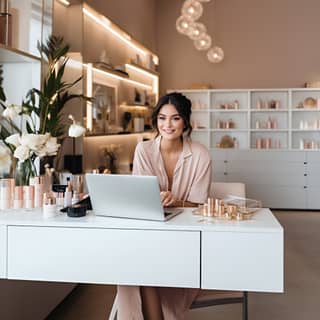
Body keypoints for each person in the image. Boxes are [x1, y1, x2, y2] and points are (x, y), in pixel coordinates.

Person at [117, 92, 212, 320]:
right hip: (150, 233)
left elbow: (199, 204)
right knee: (133, 265)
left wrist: (175, 201)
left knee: (143, 269)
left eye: (175, 118)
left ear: (186, 122)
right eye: (162, 118)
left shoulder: (200, 154)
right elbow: (141, 197)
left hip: (186, 238)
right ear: (156, 120)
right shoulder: (144, 150)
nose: (167, 125)